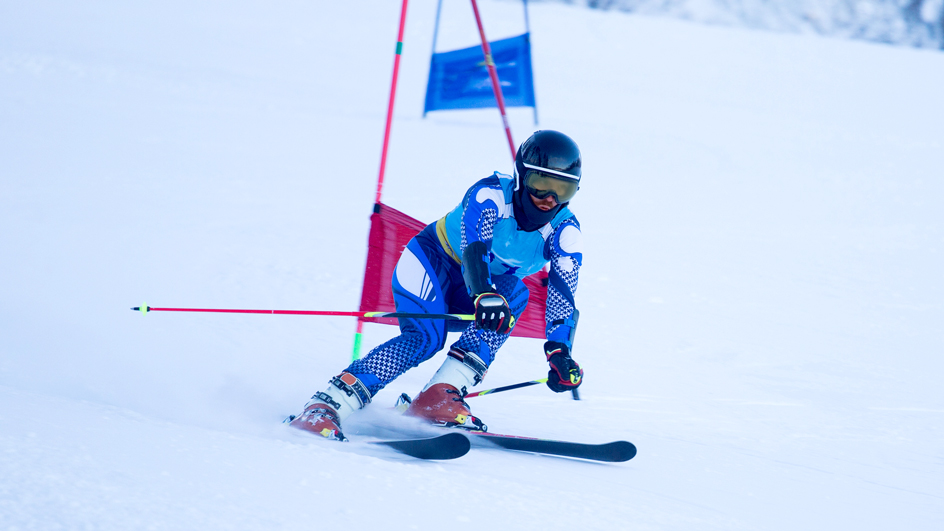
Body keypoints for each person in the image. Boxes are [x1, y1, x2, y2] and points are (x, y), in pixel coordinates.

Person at [289, 130, 585, 440]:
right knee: (424, 339)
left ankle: (440, 395)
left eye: (563, 190)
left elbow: (562, 296)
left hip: (477, 292)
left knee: (516, 292)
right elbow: (474, 249)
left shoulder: (565, 231)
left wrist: (560, 351)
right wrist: (484, 292)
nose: (550, 199)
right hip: (431, 263)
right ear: (522, 177)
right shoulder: (491, 195)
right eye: (541, 184)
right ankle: (328, 403)